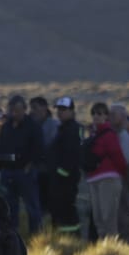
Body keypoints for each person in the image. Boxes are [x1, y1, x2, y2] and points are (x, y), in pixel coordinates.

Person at [0, 95, 43, 233]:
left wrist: (29, 165)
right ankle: (12, 236)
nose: (14, 113)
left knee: (32, 206)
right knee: (10, 207)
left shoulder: (32, 126)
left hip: (25, 172)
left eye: (17, 110)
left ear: (24, 109)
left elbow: (38, 148)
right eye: (12, 110)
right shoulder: (6, 127)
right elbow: (2, 147)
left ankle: (36, 236)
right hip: (8, 172)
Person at [84, 102, 127, 240]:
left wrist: (122, 174)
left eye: (100, 113)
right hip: (93, 179)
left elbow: (118, 157)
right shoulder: (92, 135)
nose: (96, 116)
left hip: (108, 179)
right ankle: (104, 249)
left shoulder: (109, 135)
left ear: (106, 116)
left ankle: (112, 249)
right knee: (98, 219)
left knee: (108, 217)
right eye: (94, 113)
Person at [48, 97, 83, 233]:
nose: (60, 113)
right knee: (59, 210)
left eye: (63, 109)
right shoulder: (63, 128)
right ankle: (61, 239)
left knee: (66, 210)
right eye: (59, 110)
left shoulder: (73, 129)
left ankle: (71, 239)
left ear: (72, 111)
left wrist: (61, 173)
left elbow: (72, 155)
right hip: (59, 179)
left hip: (65, 181)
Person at [108, 104, 129, 243]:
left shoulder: (126, 136)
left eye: (113, 115)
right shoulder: (112, 134)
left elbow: (124, 162)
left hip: (122, 180)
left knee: (124, 214)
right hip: (113, 179)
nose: (109, 118)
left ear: (122, 117)